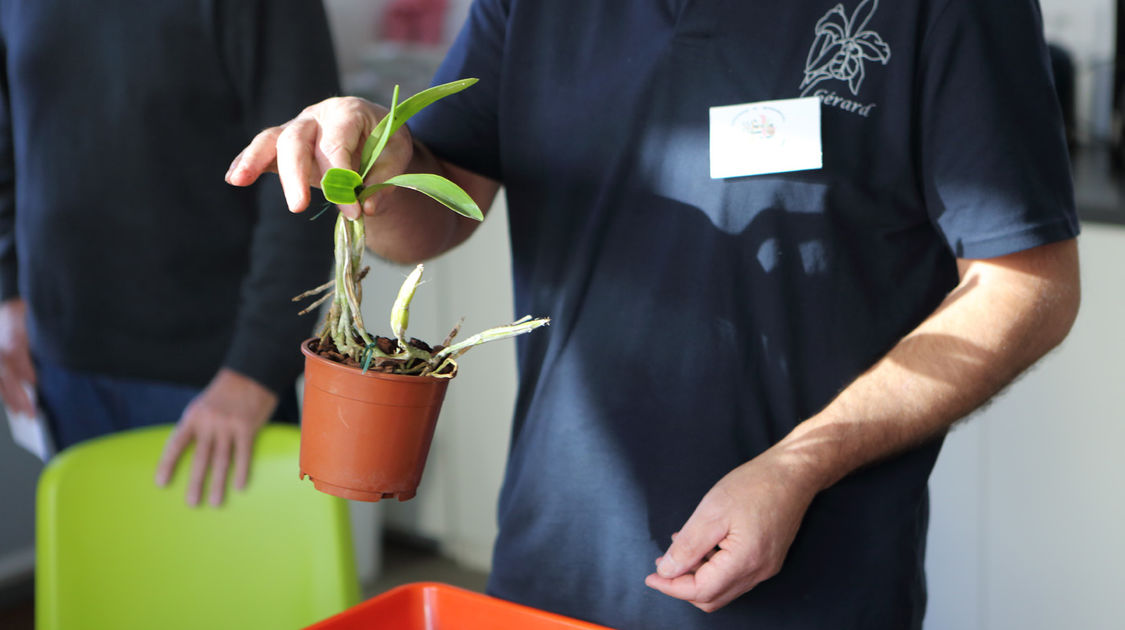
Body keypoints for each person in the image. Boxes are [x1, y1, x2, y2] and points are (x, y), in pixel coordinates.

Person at [227, 0, 1081, 627]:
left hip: (811, 585)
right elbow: (440, 207)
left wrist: (796, 467)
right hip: (549, 564)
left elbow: (1026, 285)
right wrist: (375, 158)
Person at [0, 0, 338, 507]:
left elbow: (306, 178)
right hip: (61, 365)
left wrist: (254, 372)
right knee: (102, 582)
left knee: (227, 586)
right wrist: (7, 292)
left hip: (213, 382)